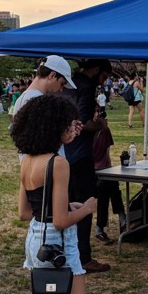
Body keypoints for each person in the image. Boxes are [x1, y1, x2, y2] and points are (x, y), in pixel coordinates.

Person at [13, 95, 97, 294]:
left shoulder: (27, 160)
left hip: (36, 240)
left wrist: (65, 205)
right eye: (70, 124)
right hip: (57, 242)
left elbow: (25, 212)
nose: (73, 129)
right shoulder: (57, 163)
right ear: (55, 126)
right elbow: (60, 222)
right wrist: (86, 208)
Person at [62, 59, 113, 274]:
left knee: (66, 206)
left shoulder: (68, 83)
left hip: (64, 155)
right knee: (84, 206)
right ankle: (83, 258)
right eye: (103, 77)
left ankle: (66, 253)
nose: (103, 82)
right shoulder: (86, 86)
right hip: (81, 156)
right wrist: (100, 125)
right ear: (95, 70)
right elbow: (81, 124)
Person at [92, 103, 124, 245]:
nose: (97, 115)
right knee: (106, 185)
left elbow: (107, 153)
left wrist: (110, 170)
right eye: (95, 112)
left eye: (99, 112)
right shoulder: (84, 132)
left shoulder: (104, 131)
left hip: (103, 170)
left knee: (110, 182)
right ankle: (122, 218)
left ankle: (101, 229)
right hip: (89, 172)